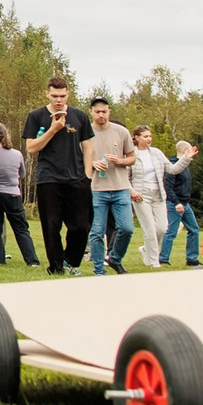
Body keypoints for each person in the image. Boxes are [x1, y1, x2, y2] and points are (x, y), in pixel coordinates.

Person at [22, 79, 95, 278]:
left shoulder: (79, 116)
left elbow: (88, 148)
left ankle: (70, 260)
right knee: (52, 225)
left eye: (62, 96)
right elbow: (31, 148)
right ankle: (56, 267)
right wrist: (53, 129)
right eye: (54, 96)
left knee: (81, 226)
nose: (59, 100)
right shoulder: (36, 116)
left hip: (77, 178)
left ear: (68, 94)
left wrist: (87, 175)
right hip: (49, 178)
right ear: (47, 94)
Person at [82, 99, 137, 275]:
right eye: (97, 112)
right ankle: (99, 269)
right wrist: (92, 163)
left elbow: (132, 158)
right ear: (91, 112)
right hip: (96, 189)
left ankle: (114, 258)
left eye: (104, 111)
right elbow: (77, 160)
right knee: (97, 232)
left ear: (109, 111)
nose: (101, 115)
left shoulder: (121, 132)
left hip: (120, 187)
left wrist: (119, 161)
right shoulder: (84, 133)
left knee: (126, 228)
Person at [0, 122, 36, 266]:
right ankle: (32, 260)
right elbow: (22, 174)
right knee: (21, 229)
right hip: (13, 194)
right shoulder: (17, 154)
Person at [127, 125, 170, 269]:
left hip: (158, 195)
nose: (149, 139)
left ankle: (146, 250)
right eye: (145, 136)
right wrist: (132, 191)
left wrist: (186, 159)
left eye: (150, 136)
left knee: (162, 228)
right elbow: (124, 177)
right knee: (150, 230)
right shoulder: (131, 154)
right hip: (141, 195)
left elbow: (172, 169)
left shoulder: (157, 153)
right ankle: (153, 261)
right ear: (137, 138)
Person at [157, 138, 203, 267]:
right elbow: (168, 187)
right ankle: (163, 258)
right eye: (189, 150)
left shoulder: (185, 166)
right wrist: (176, 203)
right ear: (184, 150)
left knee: (194, 229)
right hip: (174, 203)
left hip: (185, 203)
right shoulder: (172, 166)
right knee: (171, 231)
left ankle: (192, 259)